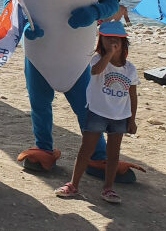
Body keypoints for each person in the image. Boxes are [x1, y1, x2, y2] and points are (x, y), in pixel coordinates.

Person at [55, 21, 138, 204]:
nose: (112, 42)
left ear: (124, 43)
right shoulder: (97, 60)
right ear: (101, 42)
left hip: (119, 116)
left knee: (113, 153)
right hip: (97, 112)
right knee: (86, 149)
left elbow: (133, 95)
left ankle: (108, 188)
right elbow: (96, 71)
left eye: (117, 39)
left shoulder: (130, 69)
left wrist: (132, 120)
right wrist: (108, 55)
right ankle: (73, 184)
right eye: (107, 39)